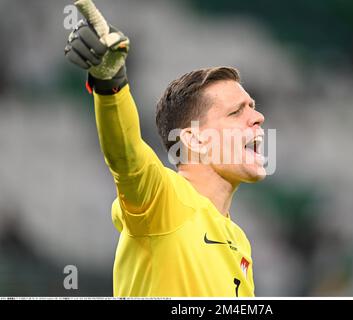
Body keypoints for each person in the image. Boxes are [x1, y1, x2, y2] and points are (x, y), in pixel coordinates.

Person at [64, 0, 266, 297]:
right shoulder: (165, 201)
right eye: (236, 112)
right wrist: (110, 83)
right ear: (194, 140)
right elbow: (126, 156)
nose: (258, 117)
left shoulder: (239, 240)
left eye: (253, 107)